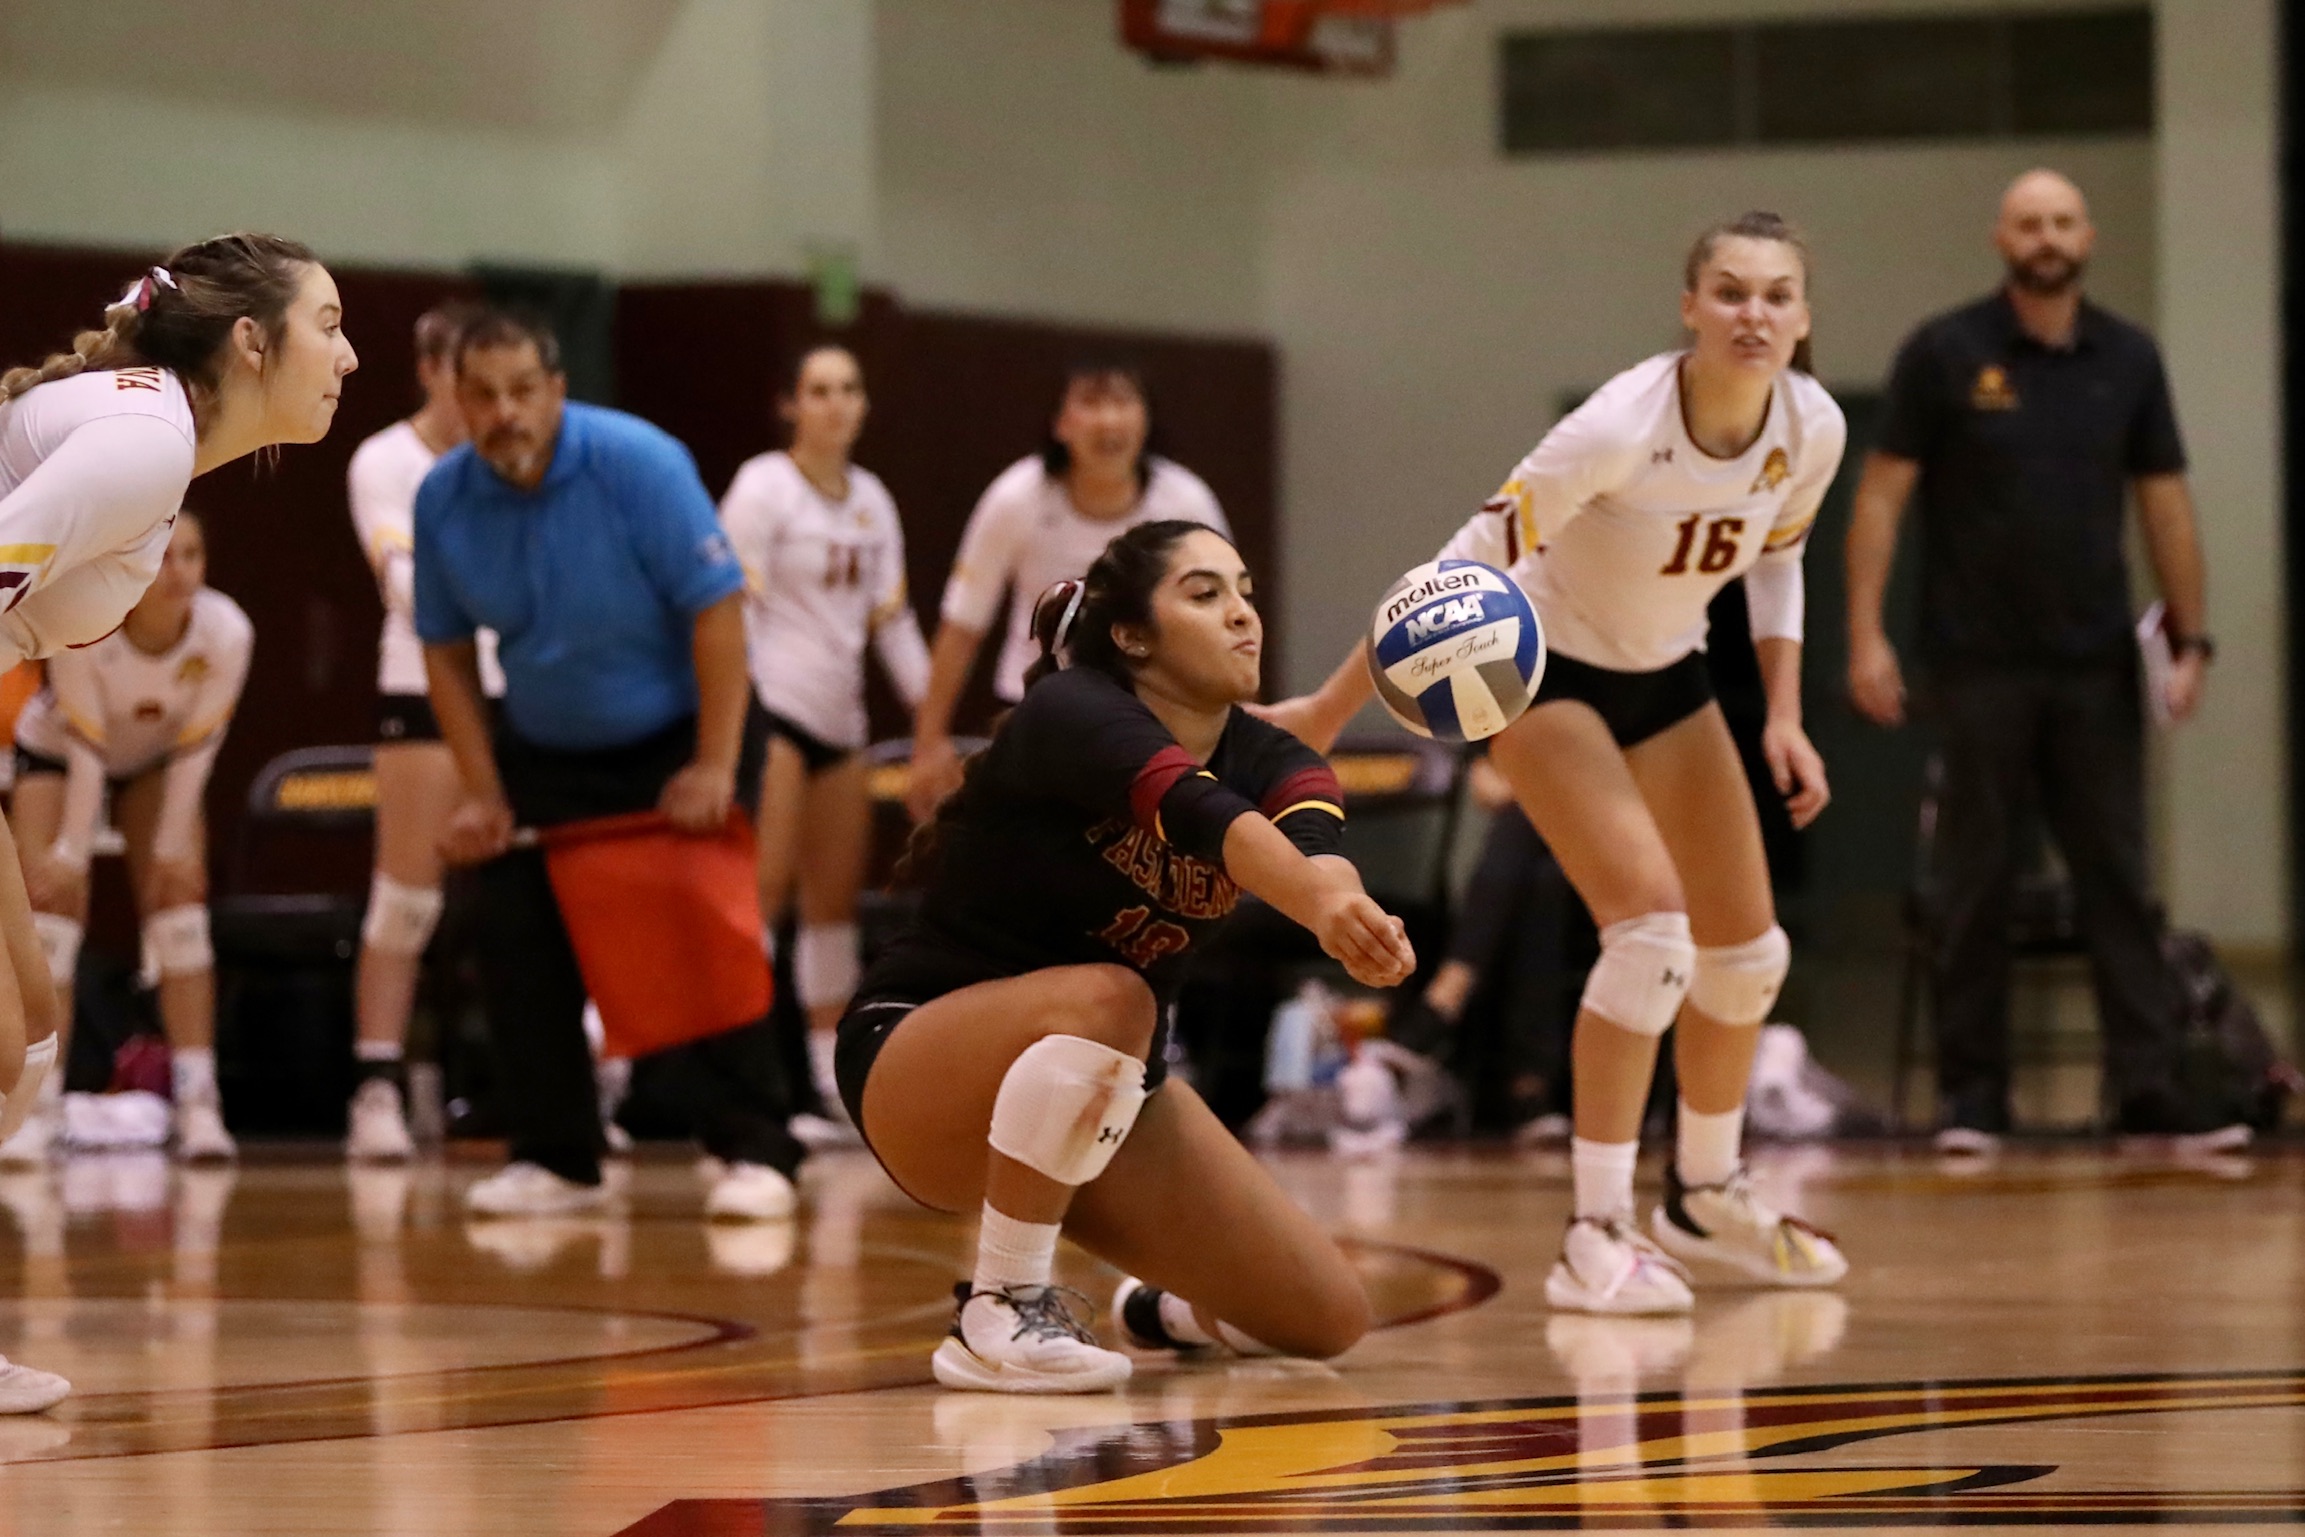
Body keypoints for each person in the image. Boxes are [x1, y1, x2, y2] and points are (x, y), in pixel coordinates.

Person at [1271, 212, 1849, 1316]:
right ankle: (1594, 1231)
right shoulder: (1619, 425)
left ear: (1804, 317)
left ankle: (1706, 1190)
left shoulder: (1810, 427)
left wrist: (1782, 711)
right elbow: (1460, 569)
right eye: (1729, 292)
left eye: (1776, 295)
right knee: (1651, 936)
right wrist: (1327, 710)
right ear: (1689, 307)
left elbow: (1779, 560)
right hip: (1542, 670)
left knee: (1748, 954)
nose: (1753, 313)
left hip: (1668, 671)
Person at [840, 519, 1414, 1393]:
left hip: (1099, 1088)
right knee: (1114, 997)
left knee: (1323, 1317)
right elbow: (1198, 812)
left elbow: (1314, 848)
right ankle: (999, 1309)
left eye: (1246, 591)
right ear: (1131, 635)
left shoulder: (1273, 756)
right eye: (1205, 593)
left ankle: (1156, 1309)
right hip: (920, 1060)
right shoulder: (1071, 711)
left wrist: (1348, 909)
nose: (1241, 615)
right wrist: (1319, 901)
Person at [0, 231, 357, 1410]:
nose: (349, 357)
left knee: (32, 1031)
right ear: (251, 340)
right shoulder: (147, 444)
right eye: (330, 324)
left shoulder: (157, 439)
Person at [1844, 169, 2234, 1153]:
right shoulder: (1945, 352)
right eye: (2029, 223)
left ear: (2087, 235)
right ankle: (1974, 1100)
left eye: (2062, 220)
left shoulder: (2129, 359)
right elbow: (1882, 497)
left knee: (2118, 878)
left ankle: (2146, 1093)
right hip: (1975, 665)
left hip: (2097, 665)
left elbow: (2166, 503)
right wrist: (1861, 631)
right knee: (1973, 881)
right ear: (2001, 238)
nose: (2047, 236)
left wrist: (2189, 637)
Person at [417, 309, 803, 1222]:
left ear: (556, 391)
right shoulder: (441, 500)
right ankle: (555, 1156)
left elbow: (717, 612)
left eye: (523, 391)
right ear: (456, 399)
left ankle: (756, 1145)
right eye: (484, 394)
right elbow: (444, 648)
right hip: (544, 742)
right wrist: (481, 789)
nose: (505, 411)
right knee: (512, 929)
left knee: (701, 923)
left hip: (680, 732)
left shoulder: (642, 462)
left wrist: (712, 765)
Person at [719, 344, 929, 1143]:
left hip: (843, 727)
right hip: (774, 712)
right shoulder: (763, 488)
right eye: (820, 390)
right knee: (760, 893)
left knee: (833, 908)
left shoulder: (873, 500)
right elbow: (729, 610)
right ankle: (748, 1069)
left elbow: (893, 621)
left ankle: (824, 1075)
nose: (836, 404)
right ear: (790, 405)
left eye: (849, 388)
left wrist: (928, 715)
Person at [3, 514, 251, 1163]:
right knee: (50, 918)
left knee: (180, 916)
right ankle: (39, 1102)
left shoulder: (226, 631)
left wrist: (172, 850)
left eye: (193, 555)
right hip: (58, 753)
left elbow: (200, 748)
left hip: (156, 762)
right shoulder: (91, 626)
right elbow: (86, 752)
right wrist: (70, 857)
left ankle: (199, 1099)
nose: (180, 572)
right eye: (167, 556)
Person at [905, 362, 1228, 822]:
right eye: (1091, 402)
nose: (1108, 420)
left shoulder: (1185, 504)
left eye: (1122, 401)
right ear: (1060, 423)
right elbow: (962, 627)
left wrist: (1237, 744)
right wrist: (927, 743)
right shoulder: (1017, 500)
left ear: (1146, 420)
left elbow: (1228, 631)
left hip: (1156, 723)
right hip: (1037, 719)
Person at [343, 300, 500, 1161]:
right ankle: (376, 1082)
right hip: (422, 685)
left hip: (517, 689)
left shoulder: (507, 458)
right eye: (465, 373)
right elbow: (403, 580)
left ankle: (566, 1084)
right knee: (405, 899)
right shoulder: (386, 461)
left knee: (531, 901)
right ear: (431, 370)